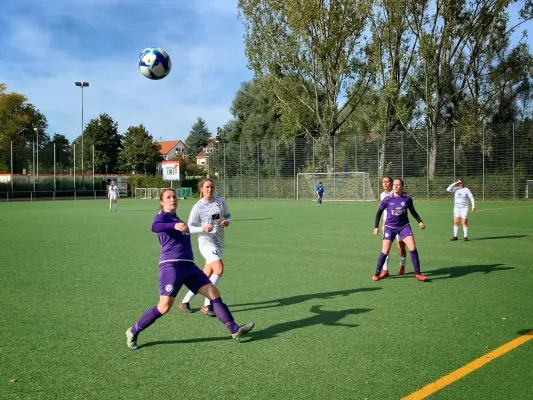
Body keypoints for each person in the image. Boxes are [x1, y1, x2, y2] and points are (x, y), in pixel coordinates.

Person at [125, 188, 254, 350]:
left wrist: (181, 224)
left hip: (189, 267)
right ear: (162, 201)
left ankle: (234, 329)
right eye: (168, 197)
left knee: (214, 293)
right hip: (171, 266)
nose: (173, 199)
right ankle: (133, 331)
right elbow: (155, 227)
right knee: (164, 307)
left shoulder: (176, 218)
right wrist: (175, 225)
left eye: (174, 197)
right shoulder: (162, 217)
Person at [179, 179, 232, 317]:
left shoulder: (221, 202)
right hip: (205, 242)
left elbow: (227, 216)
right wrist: (202, 228)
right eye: (207, 187)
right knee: (219, 269)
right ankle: (207, 305)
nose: (210, 189)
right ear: (201, 189)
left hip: (219, 241)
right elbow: (188, 227)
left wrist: (226, 222)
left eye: (212, 187)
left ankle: (184, 302)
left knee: (205, 275)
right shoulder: (198, 207)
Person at [372, 178, 427, 282]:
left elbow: (413, 212)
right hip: (390, 227)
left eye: (398, 185)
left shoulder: (407, 199)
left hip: (404, 227)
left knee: (412, 247)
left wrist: (420, 221)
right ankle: (377, 274)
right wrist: (376, 227)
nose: (396, 186)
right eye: (394, 185)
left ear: (402, 186)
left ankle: (418, 273)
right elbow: (379, 213)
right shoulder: (387, 199)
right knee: (385, 250)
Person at [378, 176, 407, 279]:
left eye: (387, 182)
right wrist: (382, 223)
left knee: (401, 248)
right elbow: (384, 211)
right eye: (383, 182)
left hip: (400, 224)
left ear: (391, 183)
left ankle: (402, 265)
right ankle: (385, 270)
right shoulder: (382, 195)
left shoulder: (396, 193)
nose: (385, 184)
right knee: (386, 249)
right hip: (388, 225)